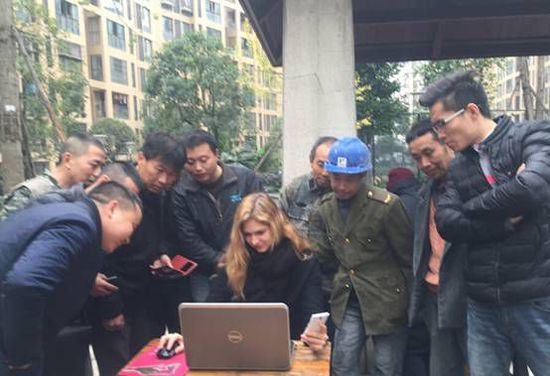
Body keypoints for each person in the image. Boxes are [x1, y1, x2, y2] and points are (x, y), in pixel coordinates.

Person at [421, 70, 550, 375]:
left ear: (472, 111)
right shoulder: (459, 166)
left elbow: (532, 187)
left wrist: (472, 207)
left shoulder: (533, 135)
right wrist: (505, 220)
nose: (439, 134)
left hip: (536, 296)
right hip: (481, 302)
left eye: (441, 123)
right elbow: (448, 222)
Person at [0, 182, 142, 376]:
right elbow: (25, 284)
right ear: (112, 208)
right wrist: (23, 357)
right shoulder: (78, 224)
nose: (128, 239)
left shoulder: (70, 215)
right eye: (132, 226)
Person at [309, 137, 413, 376]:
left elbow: (406, 257)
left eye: (349, 179)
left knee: (387, 367)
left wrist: (411, 306)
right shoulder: (325, 208)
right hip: (347, 298)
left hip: (386, 299)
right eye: (336, 178)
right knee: (342, 364)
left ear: (363, 176)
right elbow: (323, 253)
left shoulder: (386, 206)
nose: (342, 186)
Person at [90, 133, 185, 376]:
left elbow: (165, 233)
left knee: (147, 365)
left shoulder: (162, 194)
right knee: (118, 367)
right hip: (115, 297)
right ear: (141, 158)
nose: (164, 180)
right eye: (159, 170)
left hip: (148, 299)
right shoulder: (118, 187)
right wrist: (109, 308)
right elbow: (99, 251)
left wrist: (162, 252)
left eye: (172, 174)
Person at [207, 193, 327, 351]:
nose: (254, 241)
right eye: (247, 235)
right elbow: (210, 309)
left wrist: (315, 336)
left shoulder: (302, 259)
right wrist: (187, 335)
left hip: (291, 343)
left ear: (276, 226)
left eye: (260, 232)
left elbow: (312, 311)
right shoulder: (237, 258)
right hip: (242, 343)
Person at [406, 119, 467, 376]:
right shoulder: (424, 195)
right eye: (417, 158)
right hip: (434, 299)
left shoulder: (474, 186)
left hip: (471, 298)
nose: (424, 164)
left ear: (448, 143)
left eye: (429, 153)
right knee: (441, 369)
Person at [172, 130, 263, 302]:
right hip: (205, 271)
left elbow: (260, 221)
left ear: (216, 155)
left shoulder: (245, 179)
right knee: (209, 321)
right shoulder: (181, 191)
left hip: (247, 266)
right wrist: (220, 260)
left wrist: (239, 257)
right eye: (190, 162)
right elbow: (187, 237)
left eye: (203, 160)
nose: (197, 168)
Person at [0, 133, 106, 220]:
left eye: (101, 166)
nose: (97, 173)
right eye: (94, 165)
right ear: (68, 159)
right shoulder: (32, 192)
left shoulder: (81, 194)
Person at [280, 136, 337, 235]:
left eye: (331, 166)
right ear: (311, 161)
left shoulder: (344, 192)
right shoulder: (293, 189)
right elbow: (278, 226)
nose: (325, 172)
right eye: (320, 164)